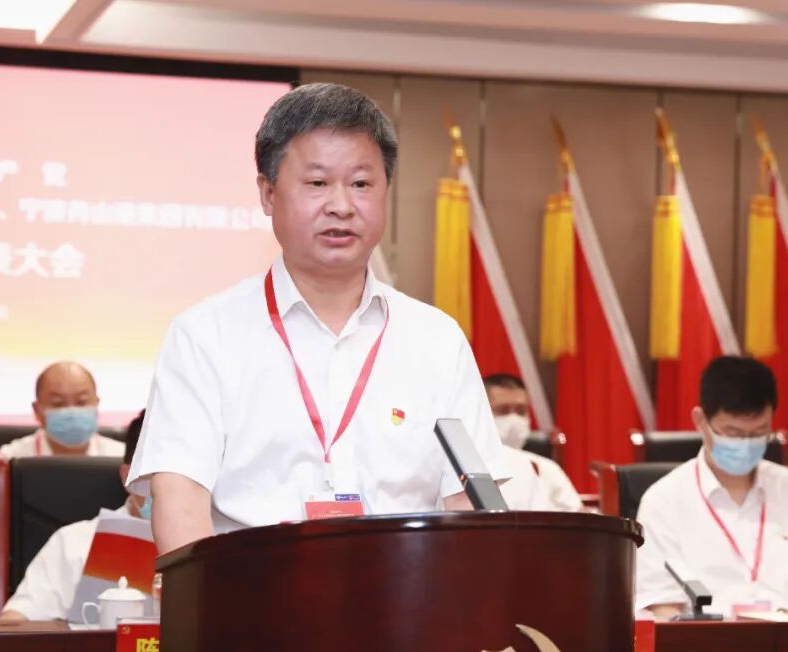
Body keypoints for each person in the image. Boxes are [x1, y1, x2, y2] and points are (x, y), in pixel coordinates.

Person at [128, 83, 507, 554]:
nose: (341, 206)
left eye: (361, 184)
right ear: (268, 193)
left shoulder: (437, 339)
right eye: (317, 183)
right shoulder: (205, 335)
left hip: (408, 592)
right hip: (254, 591)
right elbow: (180, 503)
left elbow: (471, 506)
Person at [634, 356, 788, 618]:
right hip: (706, 640)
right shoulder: (664, 501)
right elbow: (662, 608)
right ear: (700, 421)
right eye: (732, 432)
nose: (746, 444)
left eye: (758, 433)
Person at [0, 411, 149, 622]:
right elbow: (15, 622)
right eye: (159, 473)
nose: (172, 488)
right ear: (127, 476)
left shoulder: (200, 543)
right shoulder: (75, 542)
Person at [0, 362, 125, 539]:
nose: (71, 411)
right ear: (37, 411)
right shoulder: (5, 464)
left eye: (82, 402)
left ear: (97, 404)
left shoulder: (125, 460)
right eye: (59, 404)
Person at [484, 373, 581, 512]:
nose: (514, 418)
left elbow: (576, 515)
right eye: (503, 410)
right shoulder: (468, 467)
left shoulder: (546, 468)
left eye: (521, 411)